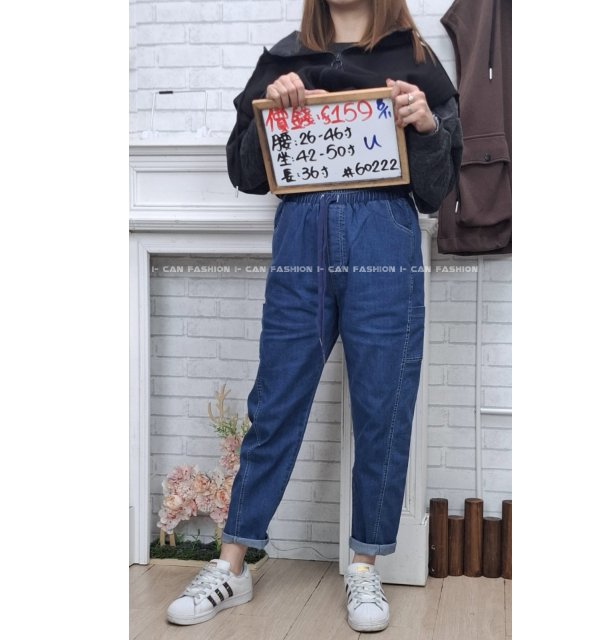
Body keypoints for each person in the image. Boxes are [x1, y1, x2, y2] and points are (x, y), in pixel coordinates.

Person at [167, 0, 462, 632]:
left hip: (385, 234)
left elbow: (438, 189)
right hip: (302, 233)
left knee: (384, 404)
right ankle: (233, 565)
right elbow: (245, 172)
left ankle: (364, 565)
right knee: (275, 401)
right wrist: (269, 115)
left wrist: (427, 126)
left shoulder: (415, 60)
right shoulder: (282, 58)